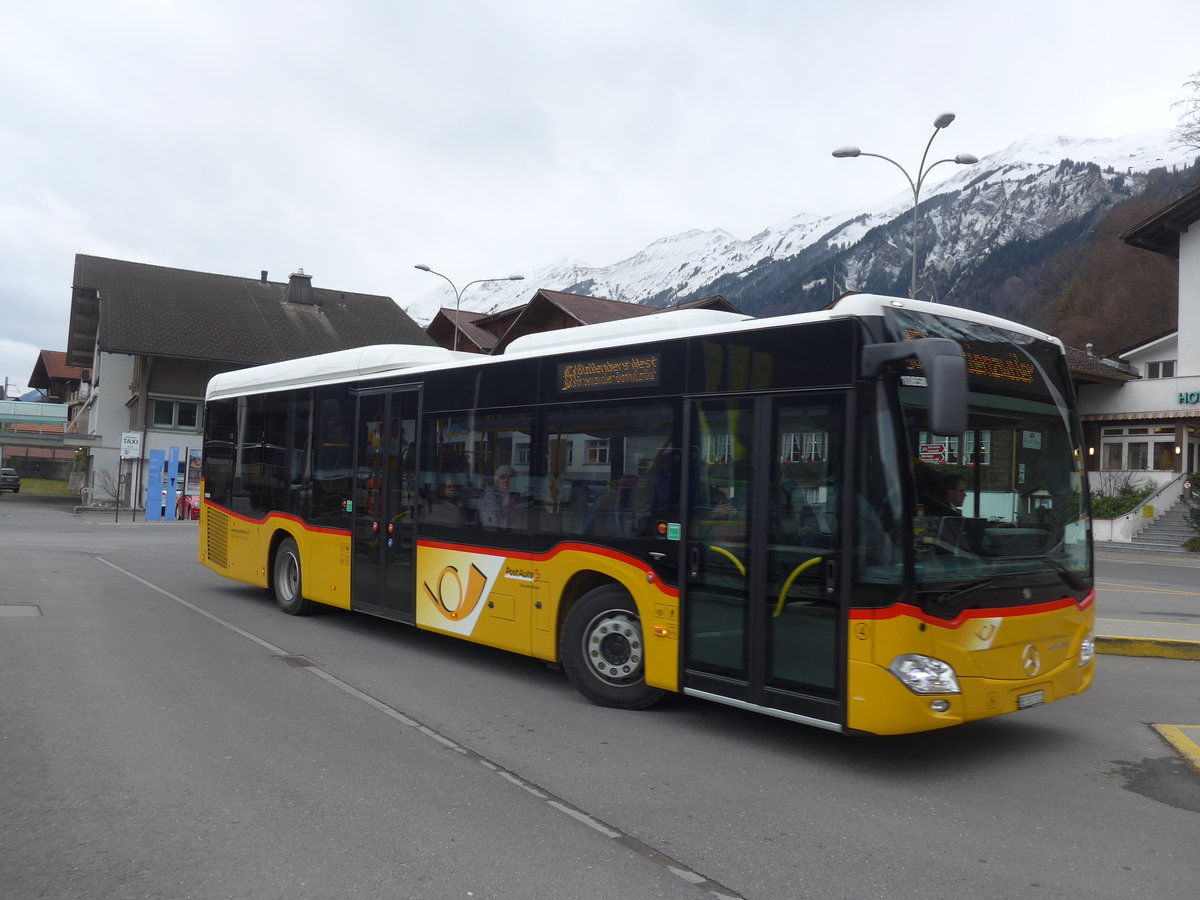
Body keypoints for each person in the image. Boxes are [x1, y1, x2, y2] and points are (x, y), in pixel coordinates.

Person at [479, 465, 518, 530]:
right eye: (502, 477)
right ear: (497, 481)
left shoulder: (513, 494)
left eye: (510, 477)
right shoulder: (490, 496)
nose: (506, 480)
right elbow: (491, 523)